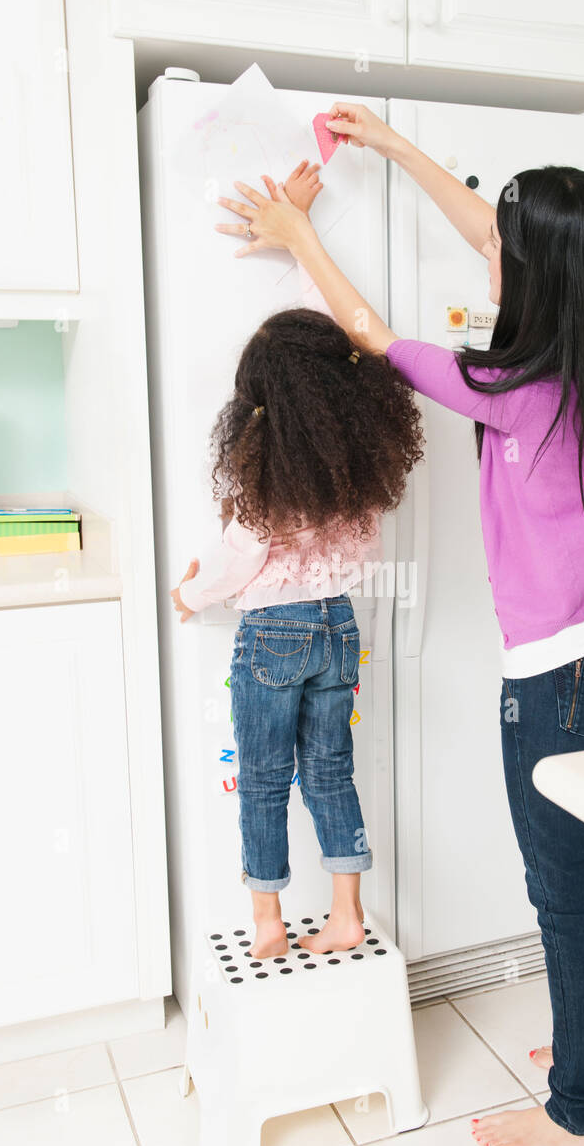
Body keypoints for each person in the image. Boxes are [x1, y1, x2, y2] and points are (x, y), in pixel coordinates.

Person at [215, 104, 584, 1146]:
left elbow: (369, 333)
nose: (487, 248)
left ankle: (577, 1112)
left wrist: (297, 236)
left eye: (504, 249)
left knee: (562, 891)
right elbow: (492, 235)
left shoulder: (514, 390)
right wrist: (395, 148)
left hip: (558, 676)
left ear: (538, 276)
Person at [171, 162, 423, 962]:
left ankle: (270, 924)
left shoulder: (268, 471)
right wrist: (301, 229)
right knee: (329, 772)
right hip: (338, 629)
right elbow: (330, 357)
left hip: (273, 638)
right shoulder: (355, 463)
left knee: (264, 779)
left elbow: (239, 558)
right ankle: (347, 914)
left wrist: (188, 596)